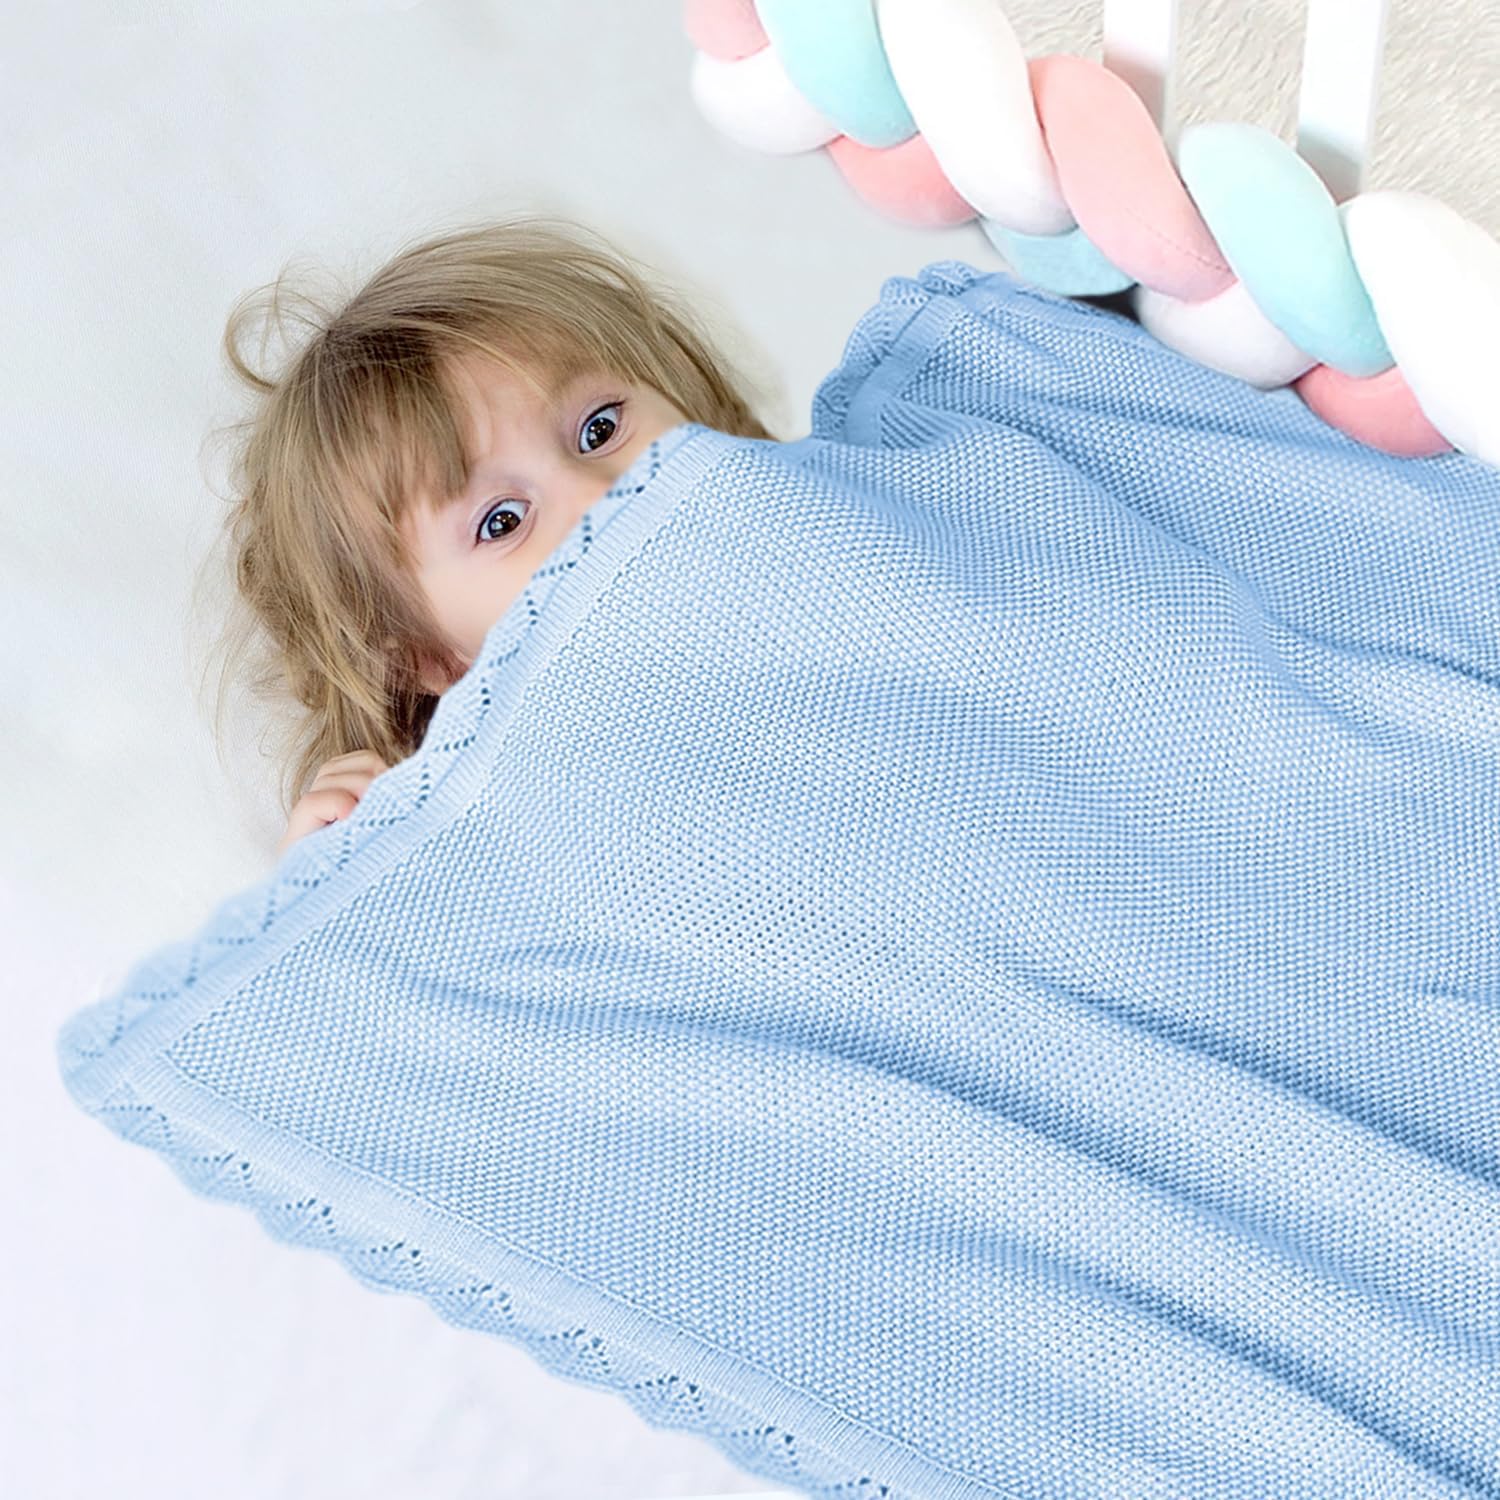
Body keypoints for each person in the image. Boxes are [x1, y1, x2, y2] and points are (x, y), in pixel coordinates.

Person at [192, 214, 781, 856]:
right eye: (502, 521)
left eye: (600, 428)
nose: (601, 496)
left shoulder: (823, 516)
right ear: (433, 658)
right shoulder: (518, 824)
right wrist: (340, 887)